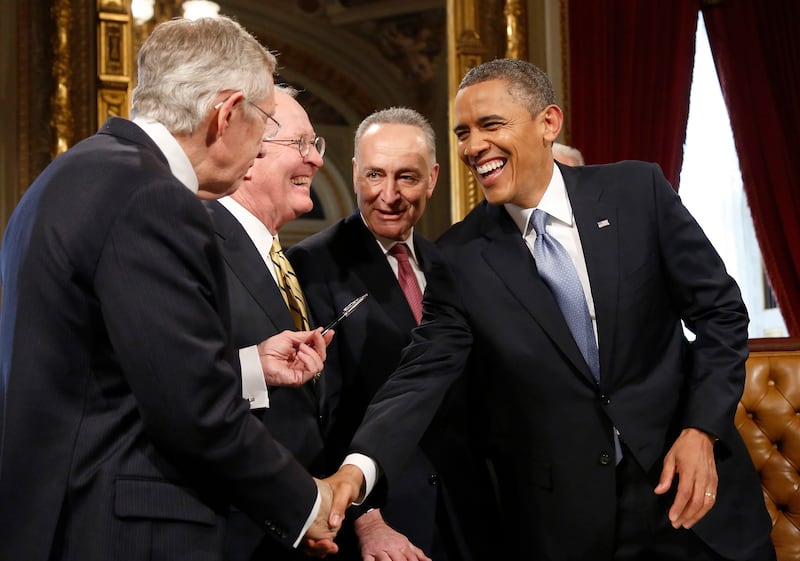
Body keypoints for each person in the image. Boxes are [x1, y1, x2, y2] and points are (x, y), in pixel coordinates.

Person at [325, 58, 775, 561]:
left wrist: (701, 430)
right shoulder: (459, 256)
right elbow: (420, 375)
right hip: (572, 529)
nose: (473, 147)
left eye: (491, 125)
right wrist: (357, 468)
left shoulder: (636, 192)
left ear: (548, 123)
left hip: (697, 498)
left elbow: (721, 315)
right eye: (463, 133)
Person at [0, 17, 340, 561]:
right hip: (124, 530)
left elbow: (115, 373)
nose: (259, 146)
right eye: (265, 122)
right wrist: (308, 502)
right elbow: (194, 411)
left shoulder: (72, 173)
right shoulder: (151, 196)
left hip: (62, 515)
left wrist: (246, 364)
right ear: (227, 113)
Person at [290, 107, 479, 561]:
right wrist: (366, 521)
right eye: (375, 174)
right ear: (355, 172)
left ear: (433, 178)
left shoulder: (452, 265)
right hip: (379, 525)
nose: (388, 195)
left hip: (468, 517)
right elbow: (314, 417)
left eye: (407, 178)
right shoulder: (309, 268)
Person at [204, 85, 329, 561]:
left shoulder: (285, 259)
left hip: (294, 532)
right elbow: (173, 384)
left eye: (316, 145)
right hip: (233, 533)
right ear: (249, 154)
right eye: (301, 144)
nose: (315, 160)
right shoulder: (198, 239)